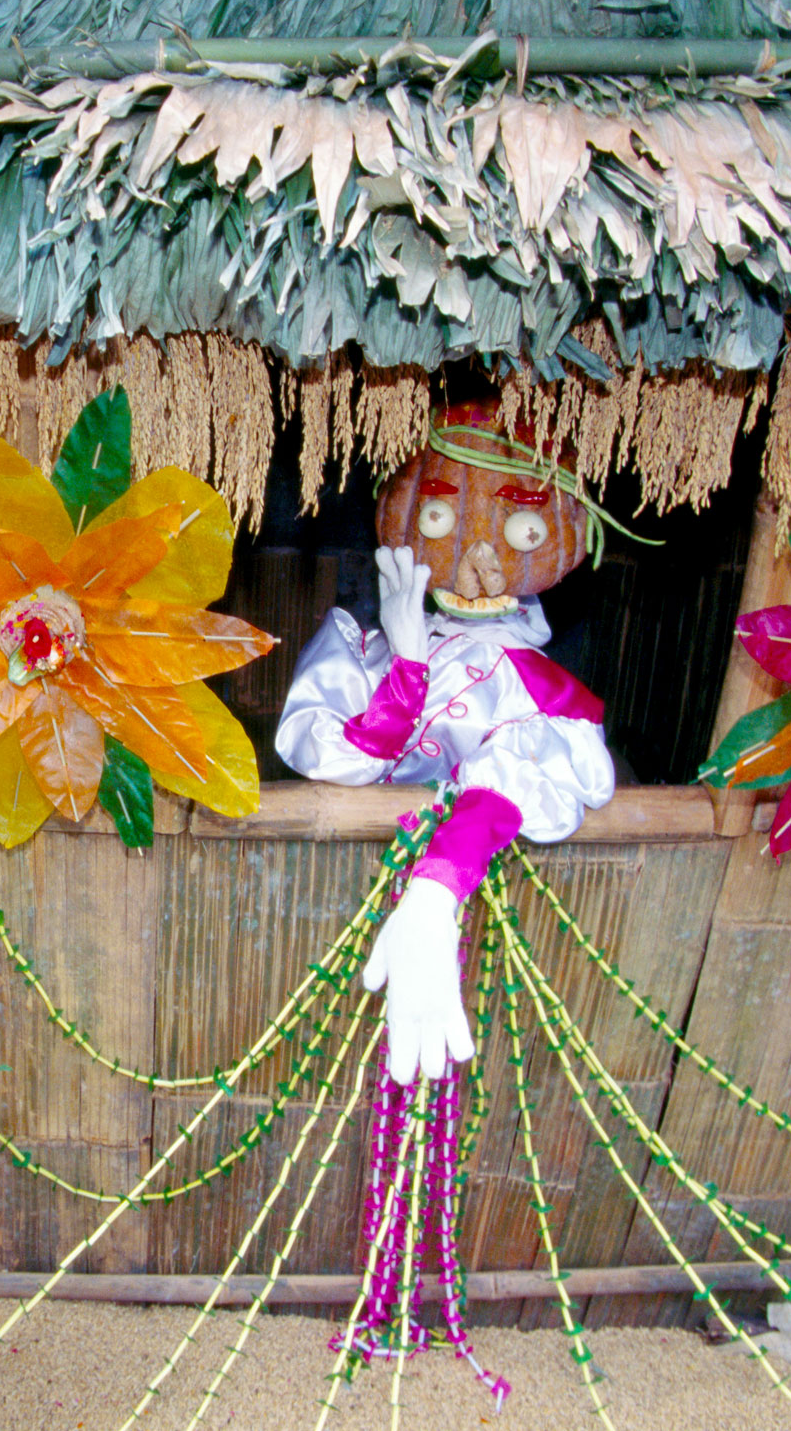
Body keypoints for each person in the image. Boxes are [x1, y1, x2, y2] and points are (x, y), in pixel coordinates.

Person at [276, 405, 620, 1083]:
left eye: (522, 528)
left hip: (473, 938)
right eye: (439, 518)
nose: (478, 555)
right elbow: (332, 755)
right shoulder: (365, 652)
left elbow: (511, 779)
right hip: (308, 909)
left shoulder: (537, 690)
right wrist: (406, 668)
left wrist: (437, 894)